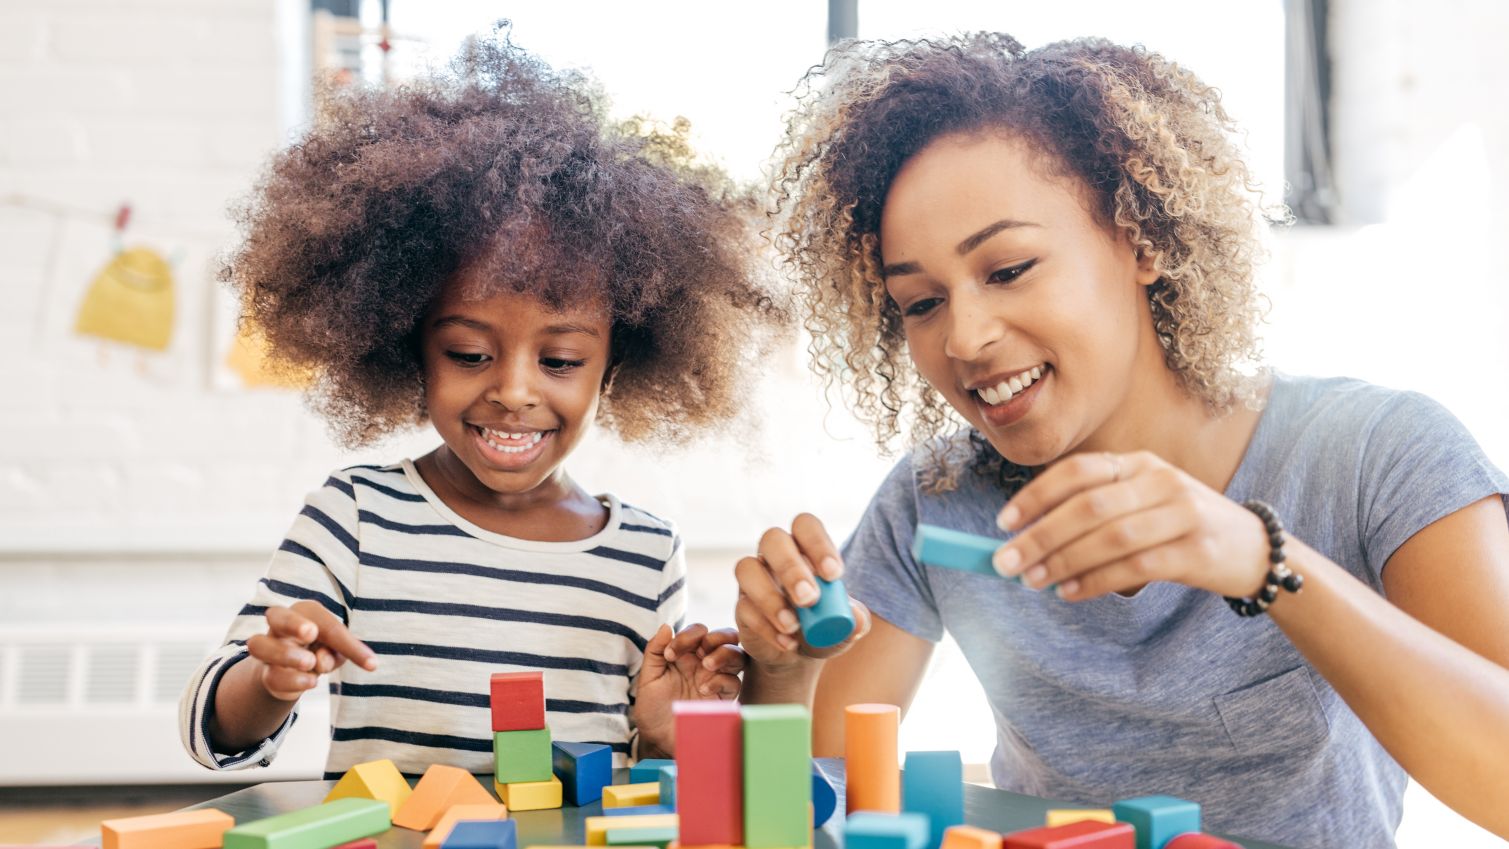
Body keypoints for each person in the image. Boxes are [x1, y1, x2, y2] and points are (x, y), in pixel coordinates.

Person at [727, 33, 1509, 847]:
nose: (962, 336)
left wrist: (1261, 559)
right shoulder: (938, 502)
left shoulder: (1376, 453)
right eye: (920, 303)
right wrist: (782, 669)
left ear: (1142, 241)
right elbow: (808, 808)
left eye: (1007, 269)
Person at [179, 32, 781, 777]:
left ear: (615, 365)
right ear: (409, 346)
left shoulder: (644, 554)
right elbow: (215, 732)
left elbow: (633, 784)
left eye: (559, 360)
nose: (515, 390)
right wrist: (272, 678)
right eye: (469, 353)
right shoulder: (358, 517)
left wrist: (663, 737)